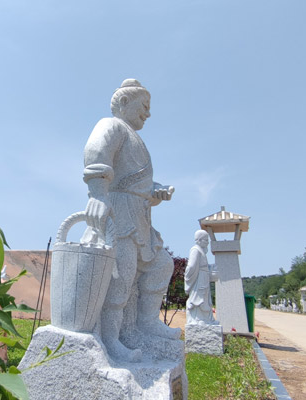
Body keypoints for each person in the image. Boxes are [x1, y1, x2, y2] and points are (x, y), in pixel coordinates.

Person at [83, 79, 180, 363]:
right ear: (125, 103)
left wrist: (155, 192)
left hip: (141, 216)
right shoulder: (111, 125)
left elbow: (135, 182)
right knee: (121, 275)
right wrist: (98, 195)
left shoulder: (136, 138)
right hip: (119, 211)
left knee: (162, 265)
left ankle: (145, 322)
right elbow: (95, 153)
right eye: (144, 106)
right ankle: (111, 338)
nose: (147, 114)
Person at [184, 230, 219, 325]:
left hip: (203, 278)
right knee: (198, 299)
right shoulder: (195, 250)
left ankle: (206, 319)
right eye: (205, 240)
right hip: (199, 279)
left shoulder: (201, 251)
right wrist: (188, 278)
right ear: (199, 240)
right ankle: (197, 319)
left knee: (205, 299)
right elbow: (191, 266)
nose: (207, 242)